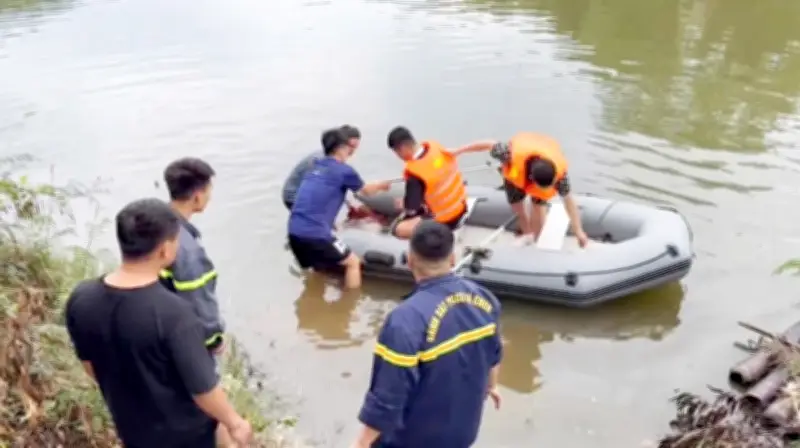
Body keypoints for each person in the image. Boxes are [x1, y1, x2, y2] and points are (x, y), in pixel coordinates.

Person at [65, 198, 252, 448]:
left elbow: (90, 367)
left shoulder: (82, 298)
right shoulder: (174, 315)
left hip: (132, 429)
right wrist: (235, 422)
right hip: (186, 437)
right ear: (165, 250)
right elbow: (203, 389)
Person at [352, 221, 503, 448]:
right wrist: (492, 386)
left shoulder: (405, 320)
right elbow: (494, 352)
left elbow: (388, 398)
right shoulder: (484, 299)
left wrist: (360, 444)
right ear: (452, 258)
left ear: (410, 260)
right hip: (461, 436)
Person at [288, 128, 391, 289]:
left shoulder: (314, 167)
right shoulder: (344, 170)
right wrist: (381, 186)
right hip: (316, 234)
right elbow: (366, 191)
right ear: (340, 147)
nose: (350, 151)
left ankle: (313, 300)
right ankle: (351, 303)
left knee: (318, 268)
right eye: (349, 147)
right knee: (353, 263)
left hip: (294, 231)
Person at [457, 132, 589, 247]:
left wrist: (579, 231)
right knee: (516, 202)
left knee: (539, 204)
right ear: (532, 178)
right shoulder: (508, 155)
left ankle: (536, 238)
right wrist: (458, 151)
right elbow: (488, 144)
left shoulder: (560, 176)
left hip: (542, 151)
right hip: (517, 172)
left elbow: (569, 201)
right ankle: (527, 233)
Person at [159, 158, 225, 354]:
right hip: (182, 341)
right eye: (209, 190)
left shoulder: (155, 222)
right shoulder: (187, 249)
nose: (210, 196)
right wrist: (214, 340)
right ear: (197, 197)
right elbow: (198, 299)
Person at [386, 126, 496, 240]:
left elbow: (411, 209)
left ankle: (428, 240)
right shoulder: (436, 148)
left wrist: (403, 204)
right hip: (462, 209)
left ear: (402, 148)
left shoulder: (414, 174)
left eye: (396, 152)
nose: (398, 156)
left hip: (444, 222)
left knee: (397, 229)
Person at [281, 124, 362, 211]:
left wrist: (349, 203)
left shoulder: (334, 156)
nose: (352, 151)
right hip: (294, 196)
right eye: (350, 146)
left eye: (355, 147)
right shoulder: (322, 159)